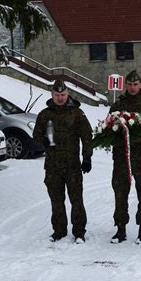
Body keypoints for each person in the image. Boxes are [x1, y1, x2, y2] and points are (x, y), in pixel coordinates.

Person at [33, 79, 93, 244]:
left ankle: (79, 232)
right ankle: (59, 230)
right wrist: (43, 141)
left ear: (68, 94)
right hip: (52, 166)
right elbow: (36, 136)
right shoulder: (45, 115)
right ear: (52, 95)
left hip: (72, 165)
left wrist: (87, 158)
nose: (60, 98)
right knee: (56, 200)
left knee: (76, 200)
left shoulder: (77, 114)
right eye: (57, 95)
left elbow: (87, 137)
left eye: (63, 95)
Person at [109, 70, 141, 245]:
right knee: (120, 194)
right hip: (122, 158)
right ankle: (121, 229)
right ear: (126, 86)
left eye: (135, 84)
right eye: (129, 84)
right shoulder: (118, 106)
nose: (132, 87)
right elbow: (110, 128)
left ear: (140, 85)